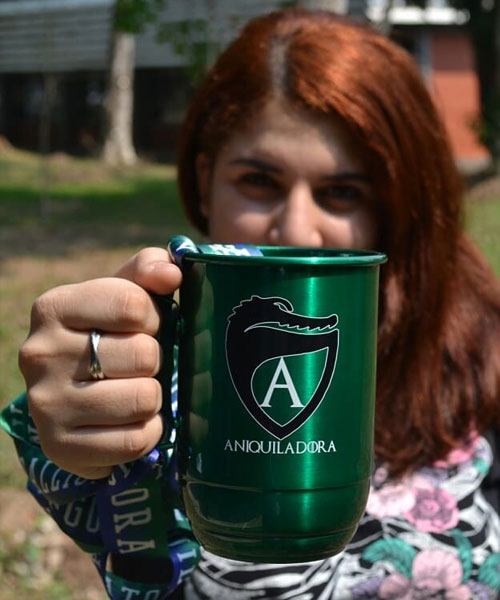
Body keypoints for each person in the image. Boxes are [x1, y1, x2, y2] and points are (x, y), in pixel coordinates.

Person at [2, 7, 500, 599]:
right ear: (206, 180)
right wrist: (79, 421)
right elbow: (136, 560)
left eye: (342, 192)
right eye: (259, 182)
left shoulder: (484, 358)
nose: (296, 229)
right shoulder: (162, 371)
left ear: (397, 207)